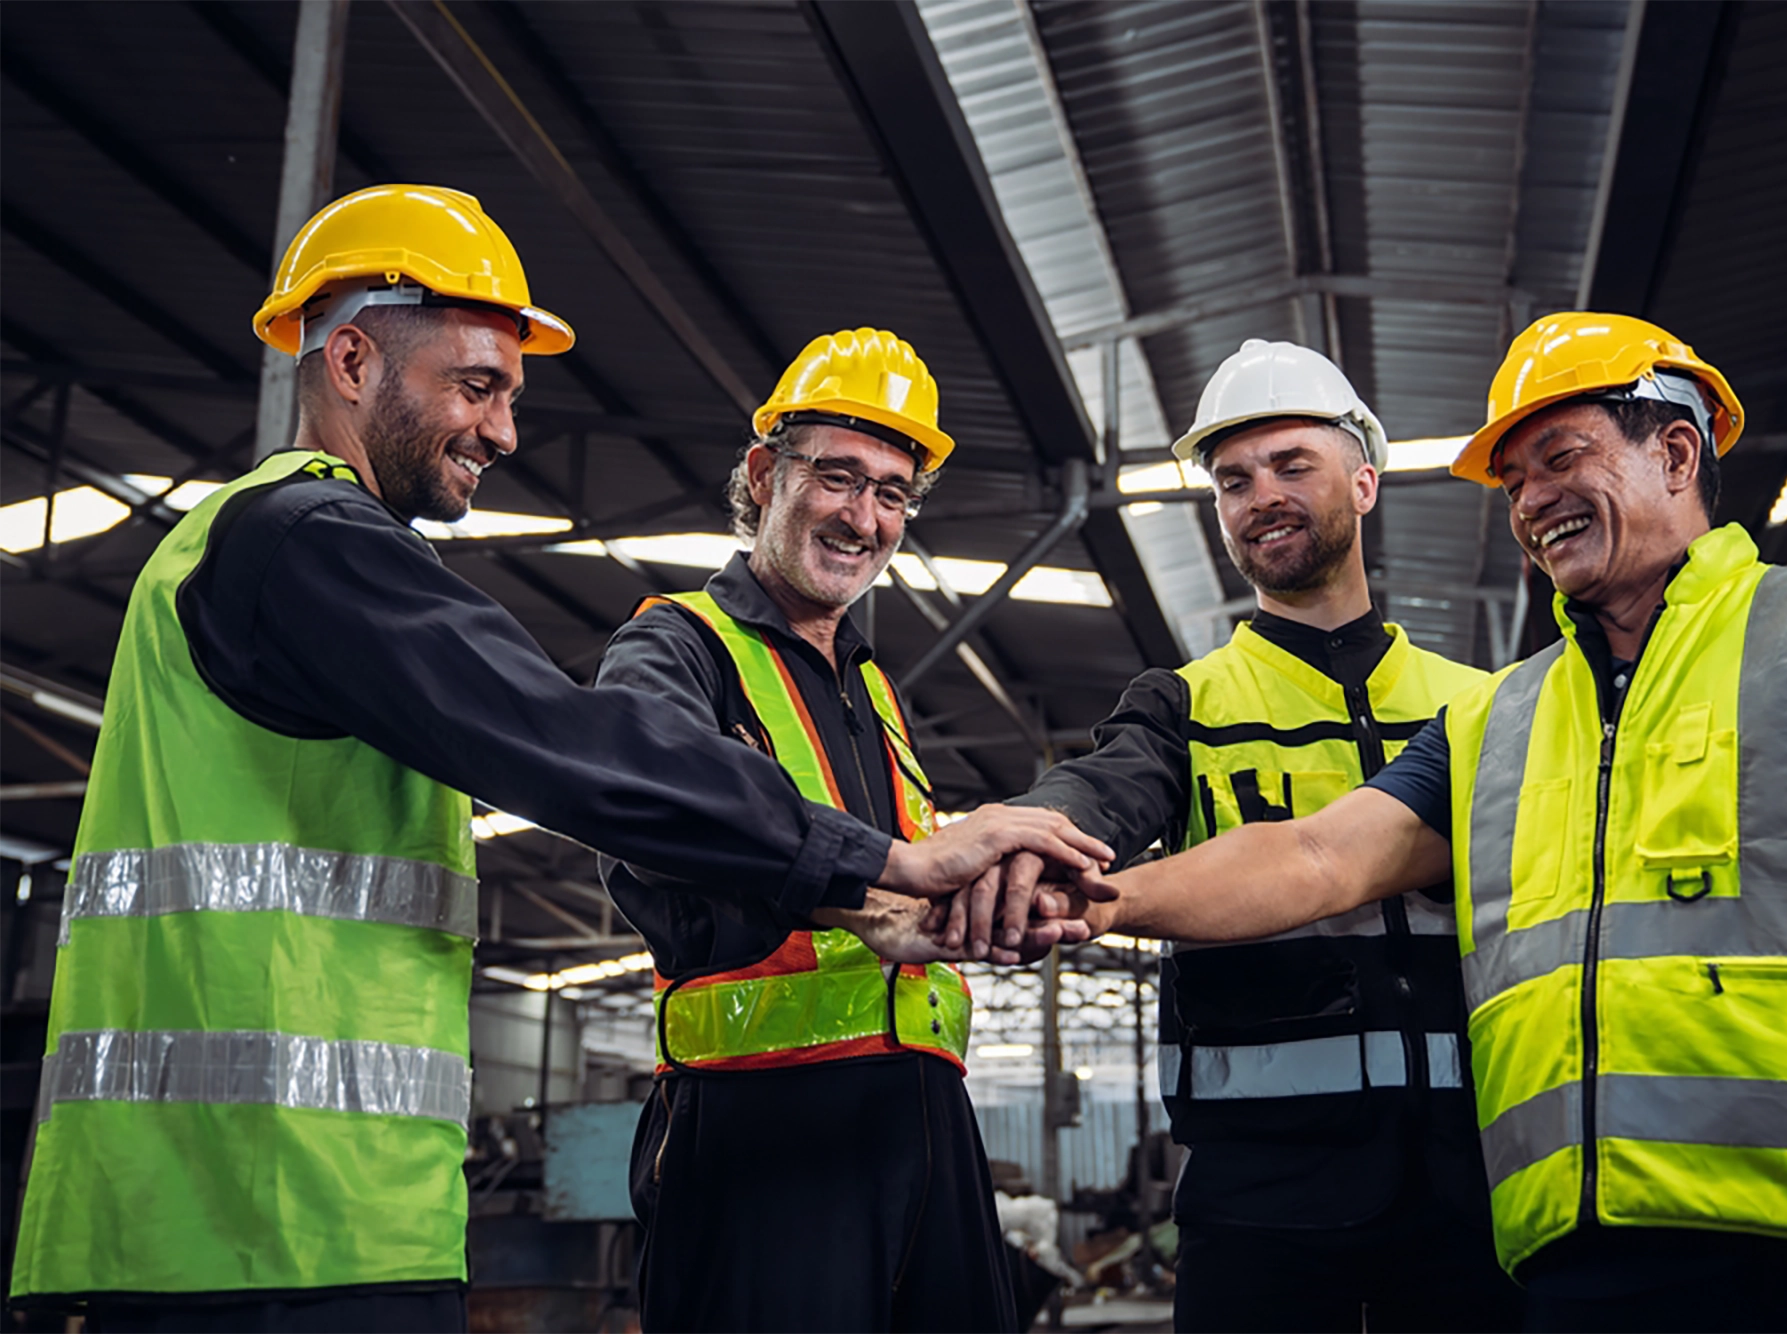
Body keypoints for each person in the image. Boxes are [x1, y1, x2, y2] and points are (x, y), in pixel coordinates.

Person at [8, 186, 1107, 1333]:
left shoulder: (310, 554)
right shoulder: (298, 540)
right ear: (348, 360)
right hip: (236, 1223)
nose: (504, 431)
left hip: (319, 1208)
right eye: (475, 385)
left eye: (891, 491)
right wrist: (882, 861)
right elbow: (567, 740)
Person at [1020, 313, 1787, 1333]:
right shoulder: (1502, 715)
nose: (1532, 499)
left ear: (1673, 451)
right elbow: (1315, 854)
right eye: (1513, 479)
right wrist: (1083, 897)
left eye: (1560, 456)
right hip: (1572, 1253)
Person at [983, 339, 1519, 1332]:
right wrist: (1019, 839)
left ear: (1363, 481)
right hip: (1259, 1196)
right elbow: (1101, 789)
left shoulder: (1486, 703)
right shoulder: (1183, 704)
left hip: (1472, 1180)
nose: (1257, 494)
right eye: (1231, 480)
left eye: (1288, 465)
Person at [594, 327, 1050, 1334]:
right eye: (836, 475)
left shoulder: (875, 689)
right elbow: (655, 791)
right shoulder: (674, 643)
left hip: (926, 1121)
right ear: (762, 475)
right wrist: (877, 874)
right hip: (763, 1131)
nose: (864, 515)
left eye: (892, 491)